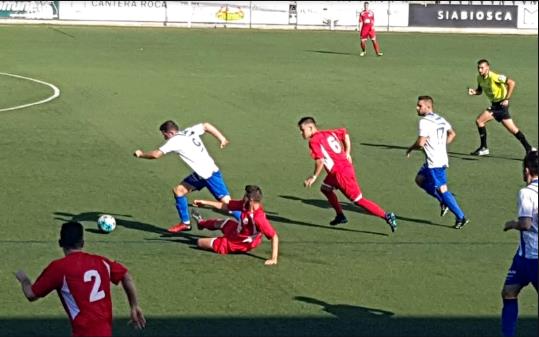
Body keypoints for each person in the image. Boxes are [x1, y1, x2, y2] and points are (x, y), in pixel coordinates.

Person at [14, 221, 145, 336]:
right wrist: (134, 306)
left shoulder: (58, 268)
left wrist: (24, 279)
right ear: (82, 243)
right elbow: (126, 276)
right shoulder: (101, 262)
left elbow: (31, 294)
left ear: (60, 243)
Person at [133, 120, 240, 233]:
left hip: (210, 175)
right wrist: (222, 138)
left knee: (229, 206)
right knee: (179, 191)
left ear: (169, 132)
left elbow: (156, 155)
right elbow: (206, 125)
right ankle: (185, 223)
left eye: (164, 135)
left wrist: (141, 154)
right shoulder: (189, 131)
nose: (164, 138)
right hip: (200, 174)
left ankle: (247, 221)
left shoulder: (174, 140)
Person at [297, 117, 397, 232]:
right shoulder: (328, 133)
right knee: (325, 189)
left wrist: (314, 177)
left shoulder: (314, 141)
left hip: (340, 174)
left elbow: (320, 160)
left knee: (358, 200)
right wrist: (347, 153)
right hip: (340, 170)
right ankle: (340, 215)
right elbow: (345, 133)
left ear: (310, 127)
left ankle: (387, 216)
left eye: (302, 130)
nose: (301, 133)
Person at [405, 96, 469, 229]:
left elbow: (421, 143)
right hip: (436, 159)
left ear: (428, 106)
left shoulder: (424, 122)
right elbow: (452, 134)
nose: (417, 108)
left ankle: (461, 217)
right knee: (420, 180)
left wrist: (411, 148)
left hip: (435, 162)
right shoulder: (439, 118)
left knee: (442, 189)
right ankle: (443, 201)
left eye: (419, 106)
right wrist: (441, 146)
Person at [192, 185, 279, 266]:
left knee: (200, 242)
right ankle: (201, 223)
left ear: (251, 199)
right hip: (238, 230)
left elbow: (274, 236)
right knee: (222, 222)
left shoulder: (258, 218)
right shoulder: (246, 205)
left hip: (239, 242)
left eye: (245, 195)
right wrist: (204, 202)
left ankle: (218, 241)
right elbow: (225, 206)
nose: (243, 197)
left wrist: (273, 259)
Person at [500, 150, 537, 337]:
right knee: (508, 292)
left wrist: (511, 224)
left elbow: (525, 224)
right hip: (522, 257)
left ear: (527, 170)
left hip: (534, 258)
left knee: (509, 293)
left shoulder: (526, 193)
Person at [467, 59, 533, 156]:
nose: (480, 70)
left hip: (500, 106)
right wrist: (474, 92)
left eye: (482, 68)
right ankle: (529, 148)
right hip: (495, 105)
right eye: (478, 68)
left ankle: (484, 147)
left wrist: (507, 99)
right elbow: (480, 91)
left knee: (480, 121)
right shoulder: (479, 78)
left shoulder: (495, 77)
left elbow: (512, 83)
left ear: (487, 68)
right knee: (513, 130)